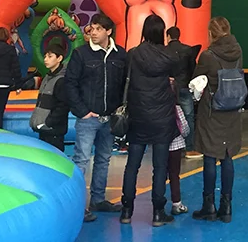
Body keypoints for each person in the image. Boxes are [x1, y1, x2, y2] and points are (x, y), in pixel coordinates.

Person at [65, 13, 127, 222]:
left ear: (109, 31)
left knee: (103, 159)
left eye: (99, 29)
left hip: (110, 118)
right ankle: (76, 205)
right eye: (92, 28)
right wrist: (82, 111)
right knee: (81, 160)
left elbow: (124, 84)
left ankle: (98, 200)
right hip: (88, 117)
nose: (93, 32)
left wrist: (121, 110)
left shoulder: (120, 55)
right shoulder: (81, 54)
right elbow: (70, 83)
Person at [120, 14, 179, 227]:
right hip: (162, 118)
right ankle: (158, 213)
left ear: (144, 31)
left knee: (132, 165)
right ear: (161, 32)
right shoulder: (168, 57)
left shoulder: (133, 54)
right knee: (160, 167)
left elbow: (124, 81)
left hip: (138, 117)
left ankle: (126, 210)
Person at [191, 17, 244, 223]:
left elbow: (196, 79)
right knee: (228, 156)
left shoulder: (208, 55)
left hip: (212, 111)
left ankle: (209, 206)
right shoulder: (238, 52)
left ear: (211, 33)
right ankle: (227, 205)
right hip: (233, 110)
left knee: (210, 156)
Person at [165, 26, 202, 159]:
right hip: (185, 86)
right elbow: (193, 69)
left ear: (168, 36)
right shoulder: (188, 50)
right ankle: (189, 148)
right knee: (188, 117)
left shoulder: (164, 50)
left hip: (169, 88)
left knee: (168, 117)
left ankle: (169, 147)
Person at [30, 43, 69, 151]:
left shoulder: (61, 80)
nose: (46, 59)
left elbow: (63, 106)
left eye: (50, 56)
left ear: (59, 58)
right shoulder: (47, 77)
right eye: (45, 56)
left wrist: (48, 122)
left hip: (53, 130)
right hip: (44, 128)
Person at [169, 90, 190, 216]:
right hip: (176, 146)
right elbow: (185, 128)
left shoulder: (155, 108)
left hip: (160, 145)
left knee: (159, 174)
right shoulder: (177, 109)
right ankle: (176, 203)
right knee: (174, 175)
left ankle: (157, 206)